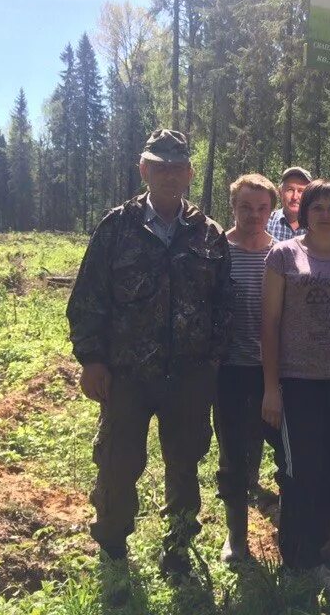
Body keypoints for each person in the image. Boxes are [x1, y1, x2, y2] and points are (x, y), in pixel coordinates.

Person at [66, 129, 232, 600]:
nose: (168, 174)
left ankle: (178, 547)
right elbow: (88, 299)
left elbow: (225, 304)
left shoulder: (208, 234)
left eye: (177, 166)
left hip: (188, 377)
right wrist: (92, 360)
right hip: (127, 376)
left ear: (190, 174)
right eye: (159, 166)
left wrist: (212, 363)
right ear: (144, 170)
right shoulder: (116, 227)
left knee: (184, 464)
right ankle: (114, 548)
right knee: (119, 463)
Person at [261, 179, 330, 591]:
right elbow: (269, 324)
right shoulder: (283, 256)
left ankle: (317, 548)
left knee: (326, 468)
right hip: (297, 380)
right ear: (303, 212)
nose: (325, 213)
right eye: (317, 206)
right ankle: (297, 558)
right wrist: (271, 388)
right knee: (298, 469)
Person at [213, 173, 286, 563]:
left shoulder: (283, 254)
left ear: (271, 210)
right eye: (245, 207)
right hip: (229, 372)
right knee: (233, 456)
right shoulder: (216, 251)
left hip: (276, 371)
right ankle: (235, 537)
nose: (253, 215)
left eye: (261, 208)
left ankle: (290, 527)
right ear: (233, 207)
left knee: (287, 452)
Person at [266, 166, 330, 242]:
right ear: (280, 192)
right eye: (290, 190)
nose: (295, 197)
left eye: (301, 191)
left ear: (309, 195)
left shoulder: (327, 224)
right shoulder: (267, 222)